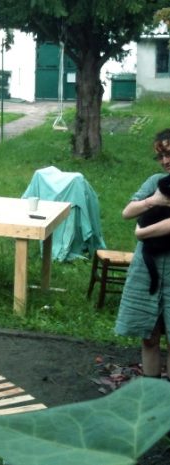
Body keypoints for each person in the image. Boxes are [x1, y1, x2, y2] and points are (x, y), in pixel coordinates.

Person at [115, 128, 170, 378]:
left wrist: (142, 234)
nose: (165, 161)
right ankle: (151, 391)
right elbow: (128, 212)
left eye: (169, 154)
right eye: (161, 157)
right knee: (149, 336)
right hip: (147, 270)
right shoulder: (154, 182)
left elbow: (143, 229)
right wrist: (153, 201)